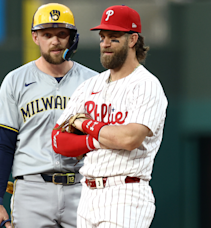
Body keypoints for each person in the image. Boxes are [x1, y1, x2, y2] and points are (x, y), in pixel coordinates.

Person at [0, 3, 98, 228]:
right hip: (33, 189)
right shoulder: (15, 80)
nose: (55, 41)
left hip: (81, 187)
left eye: (61, 34)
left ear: (72, 39)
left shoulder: (93, 82)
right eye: (47, 34)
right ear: (35, 37)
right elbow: (4, 145)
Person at [51, 5, 168, 228]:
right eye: (103, 37)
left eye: (113, 38)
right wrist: (100, 139)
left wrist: (84, 123)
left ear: (133, 40)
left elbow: (128, 139)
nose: (105, 43)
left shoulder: (146, 85)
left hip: (126, 191)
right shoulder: (89, 86)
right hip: (88, 194)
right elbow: (58, 140)